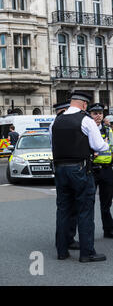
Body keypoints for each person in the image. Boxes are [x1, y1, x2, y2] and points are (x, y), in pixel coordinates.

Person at [50, 91, 109, 263]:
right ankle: (87, 253)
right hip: (80, 169)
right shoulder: (86, 120)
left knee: (63, 209)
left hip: (60, 169)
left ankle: (62, 251)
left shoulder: (56, 121)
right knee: (84, 210)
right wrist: (104, 145)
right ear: (84, 104)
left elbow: (52, 143)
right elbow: (98, 145)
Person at [52, 101, 79, 251]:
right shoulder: (71, 123)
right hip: (75, 168)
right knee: (74, 206)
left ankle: (62, 243)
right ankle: (69, 238)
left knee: (62, 208)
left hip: (59, 168)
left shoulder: (53, 125)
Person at [88, 103, 113, 238]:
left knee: (106, 203)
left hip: (106, 170)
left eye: (100, 113)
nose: (98, 116)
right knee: (89, 203)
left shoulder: (108, 130)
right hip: (92, 170)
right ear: (90, 115)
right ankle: (88, 232)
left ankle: (108, 230)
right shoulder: (87, 129)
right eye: (95, 113)